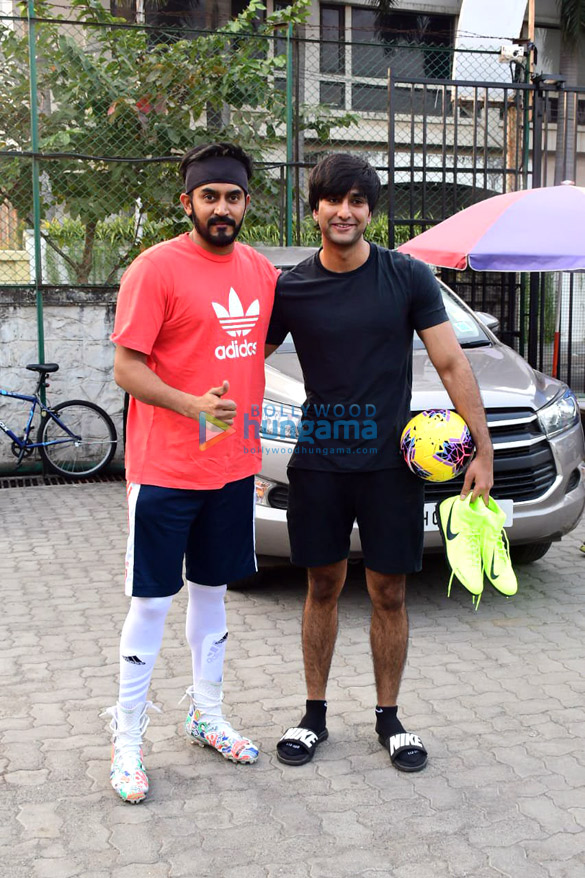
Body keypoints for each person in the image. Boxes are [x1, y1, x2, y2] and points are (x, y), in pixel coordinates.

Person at [265, 154, 493, 772]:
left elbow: (451, 363)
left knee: (389, 591)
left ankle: (389, 719)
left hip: (393, 465)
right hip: (319, 459)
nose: (345, 211)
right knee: (322, 585)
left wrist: (483, 450)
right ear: (314, 209)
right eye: (334, 200)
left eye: (358, 201)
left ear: (370, 210)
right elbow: (240, 357)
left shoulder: (408, 277)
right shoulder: (290, 289)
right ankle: (313, 714)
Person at [105, 142, 279, 803]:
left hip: (232, 468)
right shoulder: (155, 269)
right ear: (188, 203)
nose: (222, 208)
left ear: (246, 203)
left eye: (232, 196)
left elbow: (254, 350)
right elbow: (126, 367)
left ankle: (205, 713)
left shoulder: (262, 272)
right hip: (166, 469)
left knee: (213, 596)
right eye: (209, 196)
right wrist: (189, 405)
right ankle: (126, 739)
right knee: (150, 603)